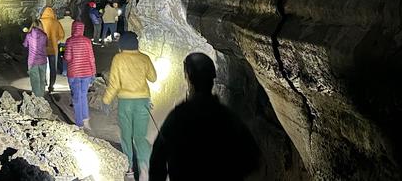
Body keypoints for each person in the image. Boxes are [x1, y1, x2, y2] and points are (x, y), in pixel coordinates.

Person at [149, 53, 260, 181]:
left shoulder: (178, 117)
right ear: (212, 78)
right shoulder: (227, 117)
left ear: (188, 77)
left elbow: (158, 161)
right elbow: (252, 158)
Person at [103, 32, 157, 181]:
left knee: (126, 136)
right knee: (140, 137)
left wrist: (106, 100)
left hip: (125, 102)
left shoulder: (118, 59)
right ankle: (144, 168)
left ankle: (130, 170)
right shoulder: (144, 58)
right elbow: (153, 78)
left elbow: (114, 84)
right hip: (143, 102)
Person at [63, 21, 96, 129]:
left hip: (74, 73)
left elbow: (67, 58)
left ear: (73, 29)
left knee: (76, 98)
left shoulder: (69, 41)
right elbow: (91, 58)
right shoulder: (87, 41)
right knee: (83, 96)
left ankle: (79, 124)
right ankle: (86, 121)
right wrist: (93, 72)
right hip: (86, 73)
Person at [40, 6, 64, 93]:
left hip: (41, 48)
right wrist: (55, 39)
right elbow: (62, 35)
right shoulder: (56, 23)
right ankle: (51, 85)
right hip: (53, 48)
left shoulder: (40, 22)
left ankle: (43, 83)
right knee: (53, 67)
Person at [22, 19, 48, 97]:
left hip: (32, 61)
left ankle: (37, 98)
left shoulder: (29, 35)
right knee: (42, 80)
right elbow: (46, 44)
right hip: (43, 60)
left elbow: (25, 45)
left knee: (35, 81)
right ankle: (42, 97)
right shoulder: (44, 35)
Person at [59, 9, 75, 76]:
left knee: (64, 57)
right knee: (72, 57)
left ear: (64, 15)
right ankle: (71, 70)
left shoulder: (59, 21)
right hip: (71, 43)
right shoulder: (73, 22)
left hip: (62, 43)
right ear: (70, 14)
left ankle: (64, 71)